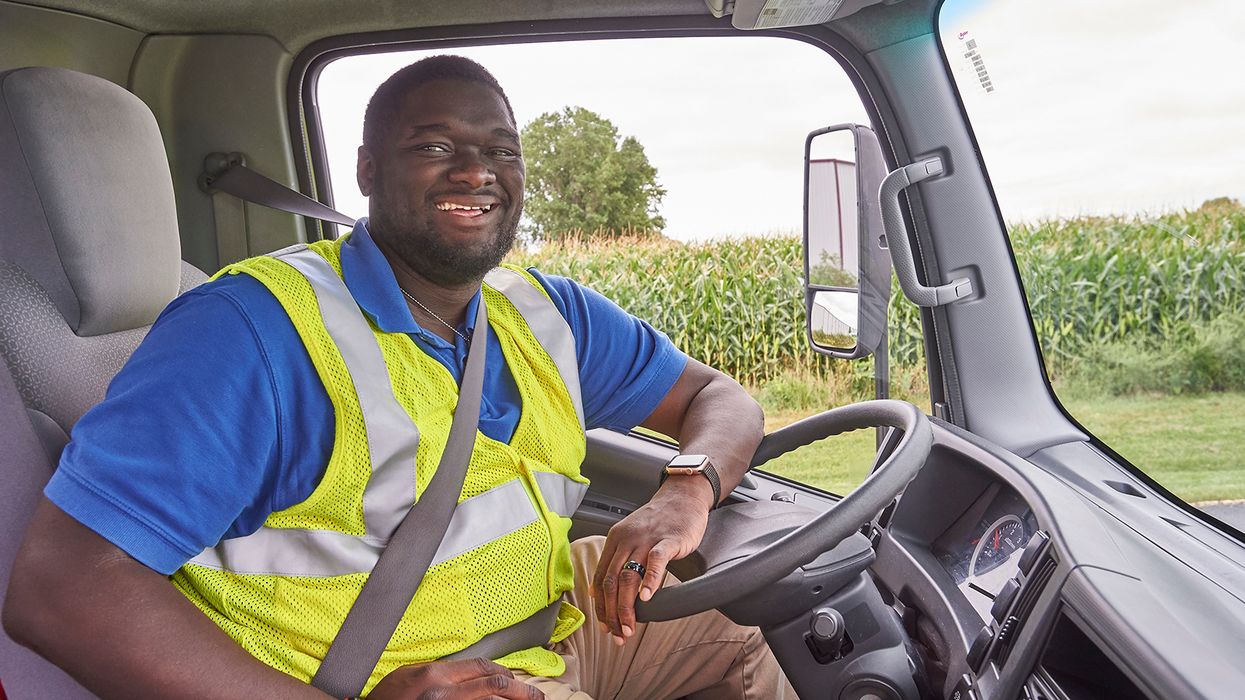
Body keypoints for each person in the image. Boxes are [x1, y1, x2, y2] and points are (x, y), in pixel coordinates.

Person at [4, 56, 790, 699]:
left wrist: (682, 494)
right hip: (369, 677)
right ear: (368, 170)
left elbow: (718, 398)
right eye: (435, 146)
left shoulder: (546, 309)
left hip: (547, 620)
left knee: (745, 623)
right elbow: (64, 588)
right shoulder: (249, 331)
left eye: (501, 149)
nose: (478, 172)